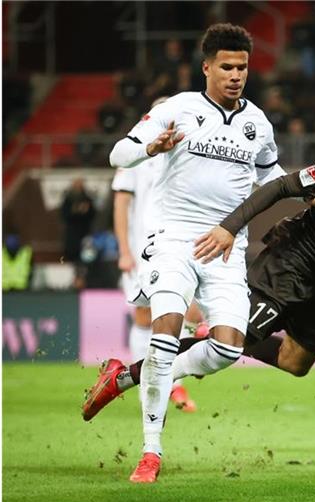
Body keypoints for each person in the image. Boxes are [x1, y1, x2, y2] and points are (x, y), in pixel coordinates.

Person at [80, 113, 315, 439]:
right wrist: (229, 227)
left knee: (296, 362)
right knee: (229, 344)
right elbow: (279, 187)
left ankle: (222, 330)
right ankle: (123, 377)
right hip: (290, 261)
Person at [86, 23, 286, 484]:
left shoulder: (258, 124)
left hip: (225, 248)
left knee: (228, 349)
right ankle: (151, 453)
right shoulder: (178, 108)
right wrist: (148, 148)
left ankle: (126, 377)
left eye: (242, 67)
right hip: (173, 238)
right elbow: (118, 155)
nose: (236, 75)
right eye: (227, 67)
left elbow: (274, 177)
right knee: (165, 332)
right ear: (207, 67)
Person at [110, 96, 200, 413]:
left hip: (178, 246)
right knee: (145, 317)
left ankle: (168, 380)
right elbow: (121, 202)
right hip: (140, 249)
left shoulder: (192, 147)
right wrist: (123, 250)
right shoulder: (137, 152)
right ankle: (151, 388)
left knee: (188, 315)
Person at [59, 177, 95, 263]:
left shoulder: (87, 199)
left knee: (86, 258)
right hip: (71, 235)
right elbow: (64, 215)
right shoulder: (68, 200)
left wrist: (86, 210)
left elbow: (92, 214)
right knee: (71, 257)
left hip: (85, 233)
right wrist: (75, 210)